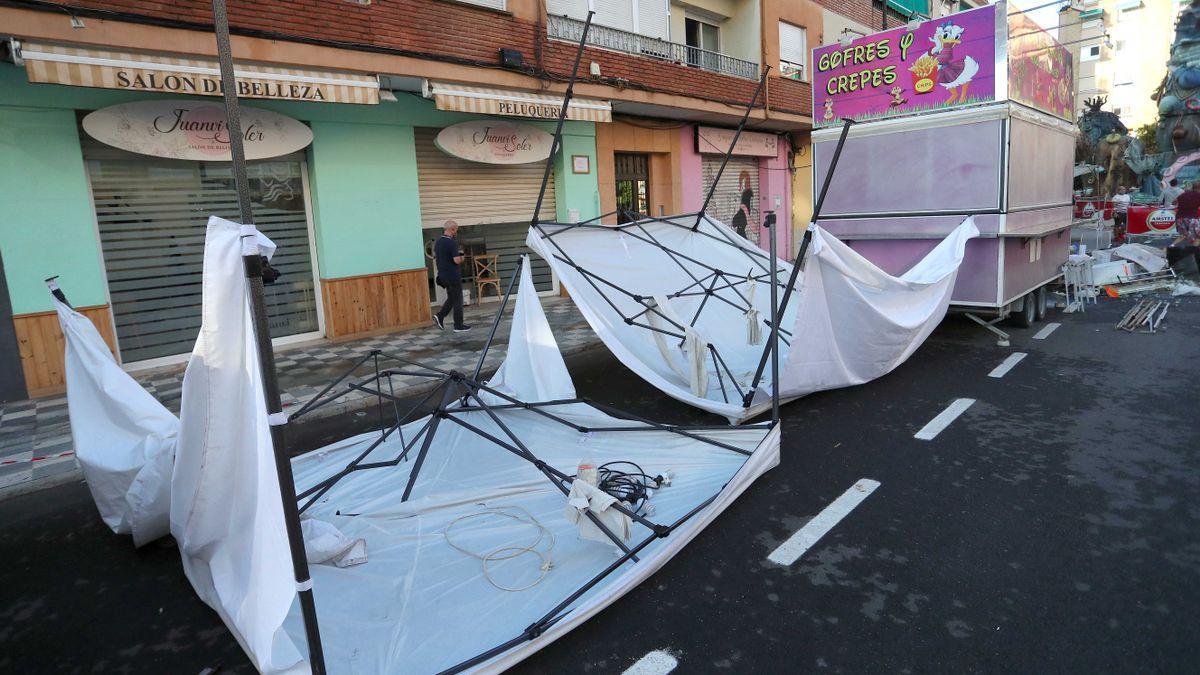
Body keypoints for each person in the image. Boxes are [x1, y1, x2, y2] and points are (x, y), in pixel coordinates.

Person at [433, 220, 471, 332]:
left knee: (452, 298)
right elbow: (457, 260)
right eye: (456, 230)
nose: (456, 232)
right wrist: (462, 256)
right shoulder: (451, 243)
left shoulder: (438, 242)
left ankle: (440, 316)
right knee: (458, 299)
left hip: (442, 275)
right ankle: (458, 325)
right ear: (452, 229)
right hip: (452, 275)